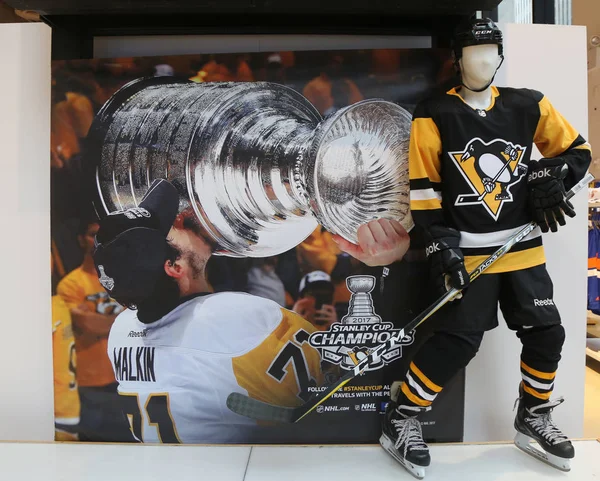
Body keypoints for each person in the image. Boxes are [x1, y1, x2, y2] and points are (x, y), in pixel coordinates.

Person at [379, 17, 592, 478]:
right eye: (473, 52)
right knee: (458, 342)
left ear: (499, 55)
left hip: (522, 248)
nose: (483, 59)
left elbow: (579, 153)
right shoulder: (434, 112)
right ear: (457, 60)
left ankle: (532, 415)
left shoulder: (528, 104)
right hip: (470, 252)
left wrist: (551, 179)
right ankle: (402, 417)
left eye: (491, 50)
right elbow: (423, 190)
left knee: (547, 332)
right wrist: (443, 248)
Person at [56, 220, 132, 442]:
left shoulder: (122, 280)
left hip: (125, 378)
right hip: (90, 385)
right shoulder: (69, 284)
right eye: (92, 234)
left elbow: (140, 322)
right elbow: (88, 326)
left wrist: (95, 319)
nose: (98, 239)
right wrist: (123, 319)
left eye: (103, 234)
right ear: (81, 240)